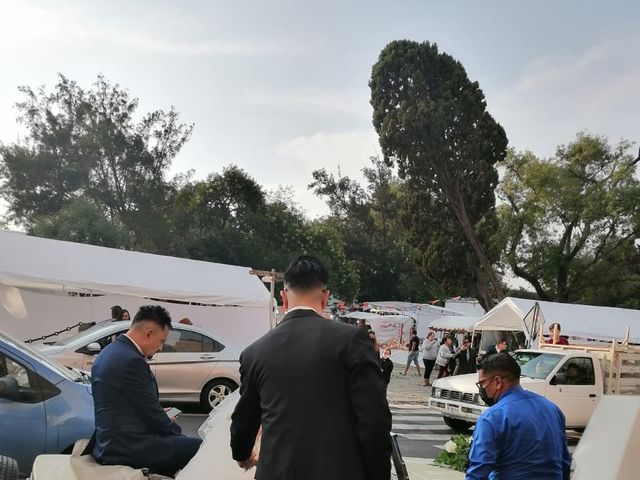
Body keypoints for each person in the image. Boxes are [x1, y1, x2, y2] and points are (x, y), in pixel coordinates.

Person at [230, 256, 392, 480]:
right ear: (325, 297)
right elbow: (374, 419)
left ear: (283, 298)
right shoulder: (352, 341)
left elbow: (244, 419)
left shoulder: (255, 352)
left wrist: (241, 454)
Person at [91, 305, 202, 476]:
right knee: (199, 448)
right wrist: (178, 435)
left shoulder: (108, 352)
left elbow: (124, 402)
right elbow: (151, 413)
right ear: (148, 333)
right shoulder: (132, 361)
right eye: (162, 341)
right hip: (127, 446)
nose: (160, 348)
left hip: (109, 441)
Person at [466, 353, 571, 480]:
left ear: (498, 381)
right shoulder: (553, 409)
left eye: (482, 383)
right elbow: (564, 462)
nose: (482, 389)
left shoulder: (493, 418)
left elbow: (478, 472)